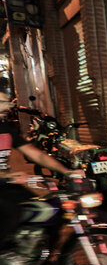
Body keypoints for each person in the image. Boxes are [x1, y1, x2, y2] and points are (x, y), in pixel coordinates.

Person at [0, 93, 84, 245]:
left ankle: (40, 259)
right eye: (2, 103)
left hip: (7, 186)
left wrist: (67, 172)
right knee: (11, 213)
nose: (7, 107)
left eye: (8, 103)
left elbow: (37, 155)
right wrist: (8, 176)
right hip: (4, 185)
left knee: (52, 209)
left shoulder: (6, 129)